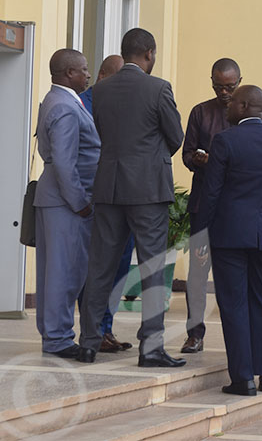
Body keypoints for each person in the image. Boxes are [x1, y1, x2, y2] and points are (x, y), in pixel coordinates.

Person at [77, 28, 185, 367]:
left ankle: (89, 343)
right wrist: (150, 157)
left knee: (100, 268)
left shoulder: (100, 90)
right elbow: (176, 137)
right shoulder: (158, 88)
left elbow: (102, 133)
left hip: (108, 187)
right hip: (148, 190)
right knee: (152, 267)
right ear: (149, 53)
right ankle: (151, 348)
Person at [200, 85, 262, 395]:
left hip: (228, 234)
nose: (226, 107)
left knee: (233, 303)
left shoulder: (225, 141)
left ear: (242, 106)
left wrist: (201, 232)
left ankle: (242, 378)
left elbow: (211, 192)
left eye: (231, 103)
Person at [181, 58, 262, 353]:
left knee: (237, 273)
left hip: (238, 207)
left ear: (240, 81)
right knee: (197, 273)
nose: (224, 93)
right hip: (204, 203)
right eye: (218, 86)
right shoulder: (201, 112)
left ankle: (243, 336)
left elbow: (261, 152)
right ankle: (195, 333)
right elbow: (187, 154)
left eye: (230, 87)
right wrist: (200, 160)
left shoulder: (256, 112)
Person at [33, 49, 100, 359]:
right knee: (65, 271)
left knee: (53, 270)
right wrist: (81, 203)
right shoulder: (66, 107)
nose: (88, 74)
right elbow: (63, 161)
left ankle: (53, 335)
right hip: (66, 201)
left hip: (54, 198)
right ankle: (58, 338)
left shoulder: (54, 99)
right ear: (69, 73)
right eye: (84, 69)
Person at [78, 54, 134, 353]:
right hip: (93, 197)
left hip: (124, 197)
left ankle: (106, 329)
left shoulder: (124, 103)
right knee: (96, 269)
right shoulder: (81, 103)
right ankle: (92, 331)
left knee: (119, 267)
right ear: (102, 75)